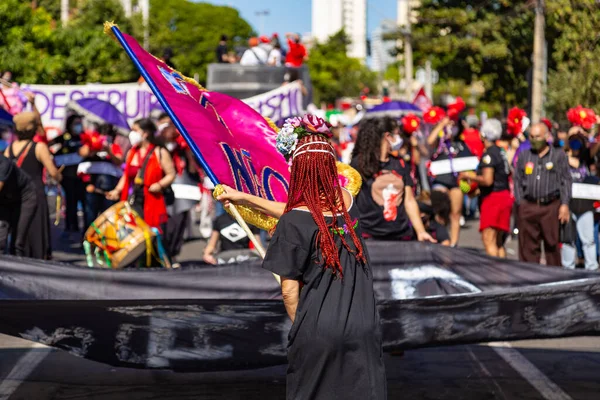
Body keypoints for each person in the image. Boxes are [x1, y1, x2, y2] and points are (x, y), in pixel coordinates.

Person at [216, 115, 387, 400]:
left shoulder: (294, 222)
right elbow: (302, 212)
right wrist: (244, 198)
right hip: (364, 325)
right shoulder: (347, 201)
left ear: (298, 170)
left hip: (318, 329)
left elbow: (288, 290)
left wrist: (302, 326)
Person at [351, 117, 435, 242]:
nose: (399, 138)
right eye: (397, 134)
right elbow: (351, 200)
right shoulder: (359, 163)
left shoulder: (400, 164)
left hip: (401, 235)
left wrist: (421, 231)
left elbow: (409, 201)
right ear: (387, 136)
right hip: (369, 236)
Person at [5, 110, 62, 259]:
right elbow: (53, 172)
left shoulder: (9, 148)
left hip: (15, 194)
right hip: (35, 192)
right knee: (35, 230)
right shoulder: (39, 147)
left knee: (18, 229)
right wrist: (59, 175)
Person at [513, 123, 572, 266]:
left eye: (537, 136)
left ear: (547, 136)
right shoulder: (524, 155)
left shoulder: (558, 155)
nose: (534, 139)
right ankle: (530, 281)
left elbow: (566, 180)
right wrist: (521, 202)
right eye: (531, 136)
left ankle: (553, 281)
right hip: (529, 206)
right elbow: (517, 180)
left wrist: (564, 204)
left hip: (550, 206)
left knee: (552, 245)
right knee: (527, 247)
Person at [106, 118, 176, 233]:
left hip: (153, 198)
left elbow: (171, 174)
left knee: (152, 234)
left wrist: (160, 184)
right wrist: (117, 190)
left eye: (135, 130)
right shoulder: (132, 152)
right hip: (134, 198)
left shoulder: (159, 151)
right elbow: (126, 175)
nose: (132, 133)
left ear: (145, 133)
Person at [459, 119, 513, 257]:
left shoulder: (489, 154)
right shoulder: (501, 152)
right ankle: (504, 273)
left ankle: (494, 274)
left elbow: (488, 180)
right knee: (499, 241)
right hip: (504, 195)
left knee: (489, 239)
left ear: (483, 134)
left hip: (494, 198)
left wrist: (468, 176)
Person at [159, 114, 199, 261]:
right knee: (166, 224)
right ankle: (164, 253)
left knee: (179, 221)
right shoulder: (158, 147)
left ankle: (173, 254)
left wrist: (186, 149)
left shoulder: (183, 147)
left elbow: (194, 169)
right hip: (164, 191)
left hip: (182, 190)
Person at [427, 117, 471, 246]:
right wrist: (442, 125)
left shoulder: (461, 144)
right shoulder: (440, 143)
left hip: (456, 183)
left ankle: (453, 244)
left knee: (455, 213)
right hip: (440, 180)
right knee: (441, 211)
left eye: (454, 124)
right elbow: (429, 141)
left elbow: (470, 163)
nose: (452, 127)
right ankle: (442, 239)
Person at [561, 132, 599, 270]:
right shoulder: (562, 158)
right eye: (573, 142)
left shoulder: (586, 158)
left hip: (585, 206)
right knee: (567, 240)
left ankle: (592, 268)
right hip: (568, 205)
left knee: (588, 240)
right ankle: (567, 268)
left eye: (579, 142)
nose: (576, 145)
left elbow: (595, 147)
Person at [79, 123, 123, 228]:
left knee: (108, 218)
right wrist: (93, 147)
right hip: (92, 188)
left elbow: (119, 161)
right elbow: (82, 153)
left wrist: (109, 151)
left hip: (108, 189)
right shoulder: (90, 146)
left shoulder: (114, 147)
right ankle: (88, 241)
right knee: (90, 217)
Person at [49, 114, 85, 236]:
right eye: (76, 123)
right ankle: (70, 225)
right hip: (67, 175)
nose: (78, 126)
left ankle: (82, 227)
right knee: (70, 200)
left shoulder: (83, 138)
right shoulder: (64, 138)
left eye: (79, 123)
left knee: (81, 200)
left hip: (80, 176)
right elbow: (49, 146)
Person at [0, 152, 37, 256]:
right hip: (4, 200)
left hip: (25, 197)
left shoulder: (3, 163)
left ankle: (18, 269)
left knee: (17, 242)